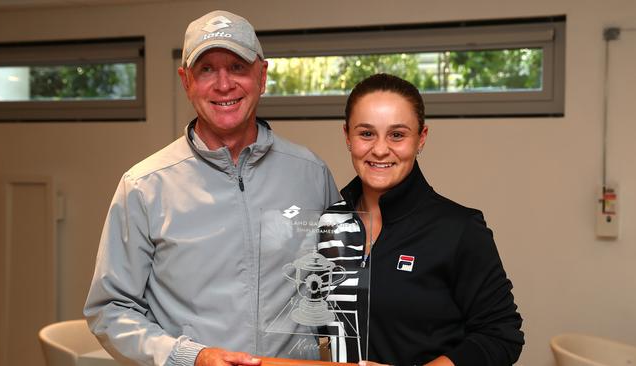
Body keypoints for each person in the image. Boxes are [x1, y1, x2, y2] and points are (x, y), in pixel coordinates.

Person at [83, 10, 340, 366]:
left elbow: (343, 289)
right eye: (207, 70)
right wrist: (192, 357)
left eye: (237, 67)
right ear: (186, 80)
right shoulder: (144, 186)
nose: (223, 84)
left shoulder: (311, 174)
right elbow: (110, 311)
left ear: (261, 76)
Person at [318, 73, 524, 366]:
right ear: (347, 137)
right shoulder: (328, 222)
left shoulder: (458, 229)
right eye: (366, 133)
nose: (379, 149)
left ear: (421, 138)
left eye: (397, 135)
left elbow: (502, 335)